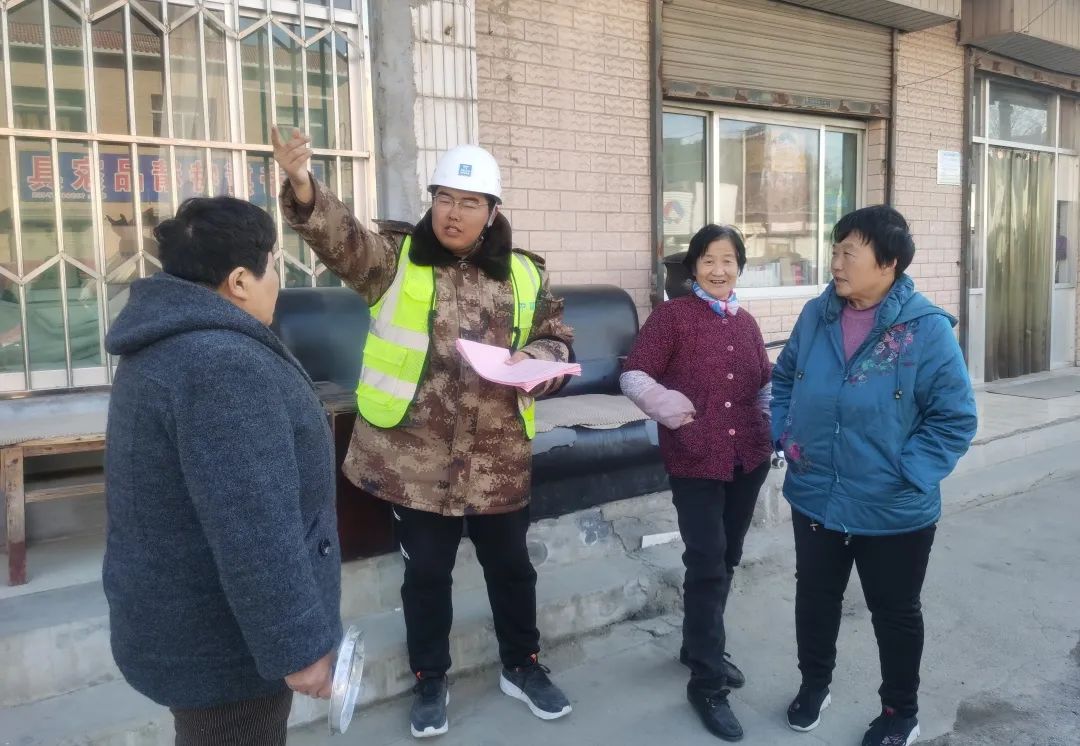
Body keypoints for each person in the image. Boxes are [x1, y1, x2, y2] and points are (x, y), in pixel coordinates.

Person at [271, 128, 575, 738]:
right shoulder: (393, 260)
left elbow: (556, 337)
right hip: (416, 463)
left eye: (469, 202)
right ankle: (430, 679)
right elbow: (340, 240)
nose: (452, 213)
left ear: (491, 212)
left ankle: (522, 665)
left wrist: (538, 362)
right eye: (443, 198)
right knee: (427, 577)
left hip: (496, 461)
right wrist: (303, 185)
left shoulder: (523, 273)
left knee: (512, 570)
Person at [103, 196, 342, 746]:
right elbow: (254, 526)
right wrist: (297, 646)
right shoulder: (223, 366)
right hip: (225, 646)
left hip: (185, 623)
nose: (277, 281)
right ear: (238, 281)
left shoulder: (169, 343)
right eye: (273, 266)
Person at [771, 205, 977, 746]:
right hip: (816, 492)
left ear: (888, 263)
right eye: (835, 250)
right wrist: (785, 434)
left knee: (895, 612)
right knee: (815, 598)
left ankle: (899, 713)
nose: (835, 263)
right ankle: (814, 685)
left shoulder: (925, 330)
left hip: (893, 505)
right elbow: (784, 378)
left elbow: (954, 418)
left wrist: (908, 472)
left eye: (849, 252)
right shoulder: (817, 315)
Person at [621, 224, 772, 741]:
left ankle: (697, 646)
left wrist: (777, 423)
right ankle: (707, 684)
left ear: (740, 267)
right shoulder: (673, 317)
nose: (719, 270)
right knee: (707, 562)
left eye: (729, 260)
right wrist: (662, 403)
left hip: (747, 458)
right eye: (709, 260)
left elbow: (763, 385)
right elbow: (634, 372)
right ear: (693, 267)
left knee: (726, 559)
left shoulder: (747, 323)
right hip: (695, 458)